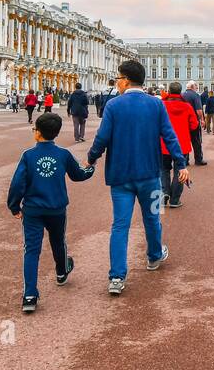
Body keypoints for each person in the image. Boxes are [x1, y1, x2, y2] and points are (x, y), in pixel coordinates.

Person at [86, 60, 189, 297]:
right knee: (153, 219)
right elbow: (170, 136)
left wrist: (91, 159)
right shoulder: (156, 105)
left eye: (118, 78)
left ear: (125, 80)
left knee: (119, 225)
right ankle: (154, 256)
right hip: (150, 175)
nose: (117, 82)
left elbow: (102, 139)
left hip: (120, 177)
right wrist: (180, 163)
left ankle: (116, 276)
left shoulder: (113, 105)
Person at [6, 111, 95, 314]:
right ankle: (62, 271)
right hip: (56, 208)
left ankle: (29, 294)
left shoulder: (28, 155)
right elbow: (78, 175)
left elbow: (17, 183)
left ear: (38, 133)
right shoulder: (63, 154)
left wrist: (14, 206)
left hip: (33, 210)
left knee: (31, 250)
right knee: (58, 241)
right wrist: (91, 169)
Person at [161, 82, 199, 207]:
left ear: (169, 90)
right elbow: (194, 125)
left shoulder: (162, 105)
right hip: (182, 144)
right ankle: (175, 200)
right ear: (180, 91)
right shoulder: (187, 106)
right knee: (180, 171)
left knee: (163, 169)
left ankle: (164, 192)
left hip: (163, 144)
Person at [183, 81, 207, 165]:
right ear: (193, 87)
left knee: (185, 141)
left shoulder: (182, 95)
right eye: (196, 87)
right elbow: (199, 110)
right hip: (194, 122)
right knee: (196, 141)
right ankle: (198, 159)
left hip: (184, 122)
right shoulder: (195, 95)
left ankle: (185, 160)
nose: (197, 88)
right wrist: (202, 119)